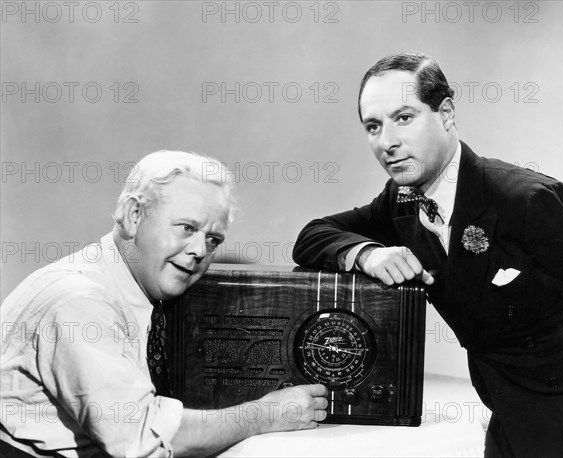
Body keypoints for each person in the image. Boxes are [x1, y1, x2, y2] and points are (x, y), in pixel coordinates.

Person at [293, 53, 563, 457]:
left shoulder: (531, 201)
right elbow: (313, 236)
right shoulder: (401, 202)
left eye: (404, 118)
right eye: (373, 126)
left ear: (447, 114)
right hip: (508, 416)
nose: (386, 142)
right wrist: (366, 253)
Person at [1, 150, 328, 457]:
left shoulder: (136, 286)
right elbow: (141, 438)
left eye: (213, 240)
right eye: (187, 228)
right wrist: (264, 415)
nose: (200, 250)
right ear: (133, 216)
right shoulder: (81, 300)